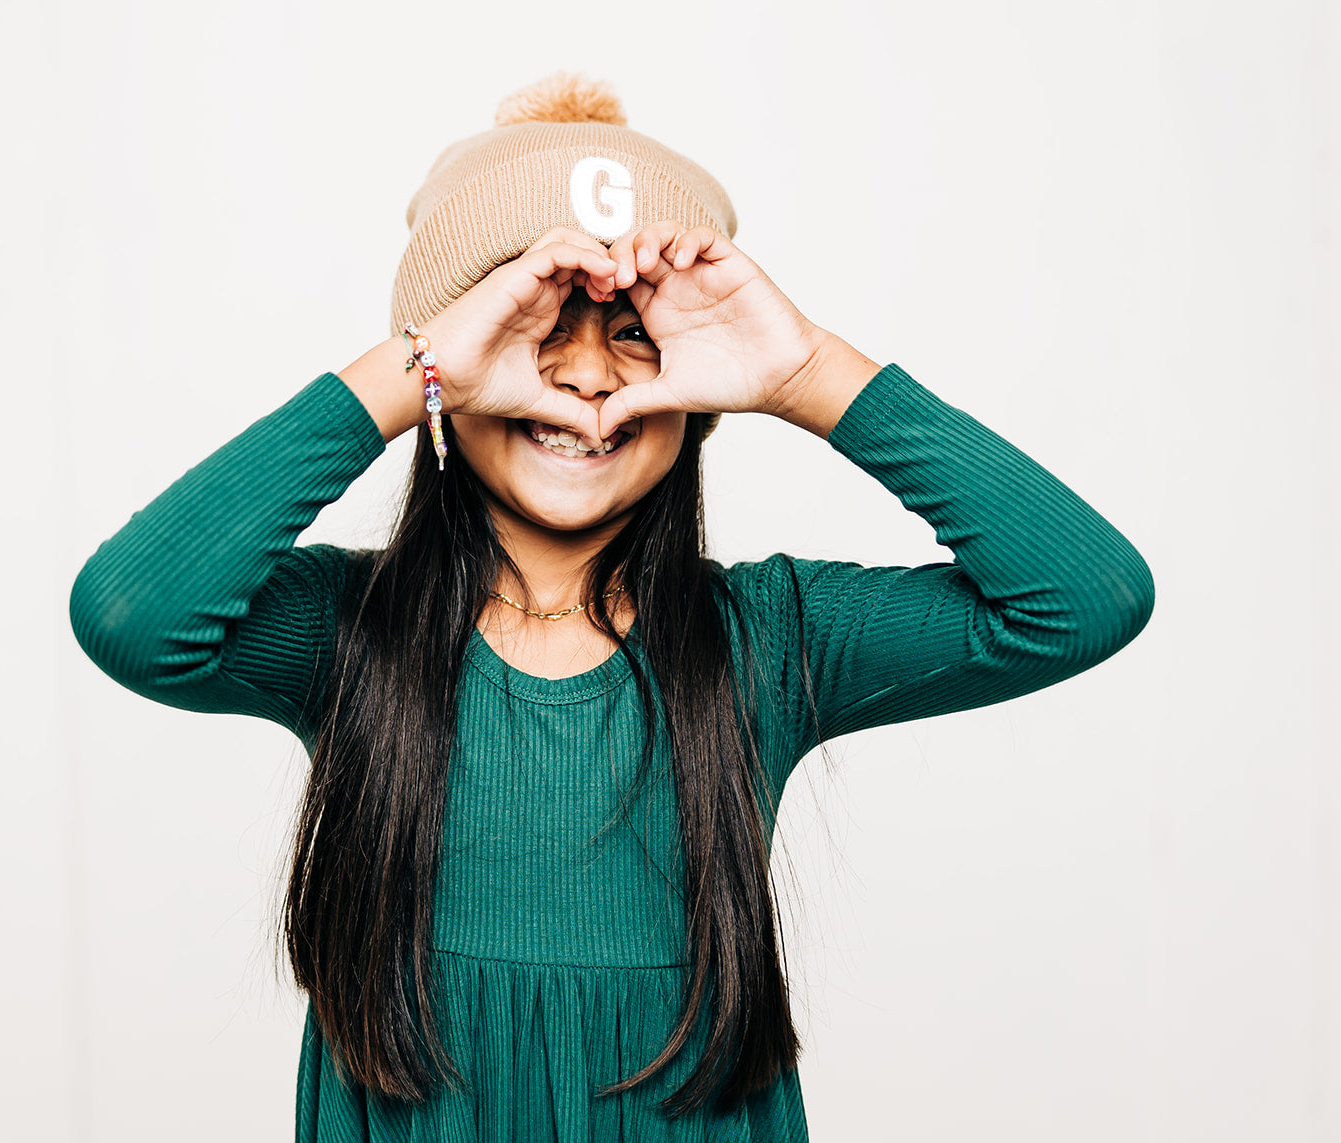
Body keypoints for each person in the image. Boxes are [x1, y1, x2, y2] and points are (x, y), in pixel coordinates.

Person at [68, 72, 1155, 1143]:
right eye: (533, 326)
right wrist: (413, 374)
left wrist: (809, 374)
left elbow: (1080, 597)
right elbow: (131, 611)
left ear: (699, 393)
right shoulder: (349, 632)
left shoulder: (769, 641)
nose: (586, 376)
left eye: (631, 331)